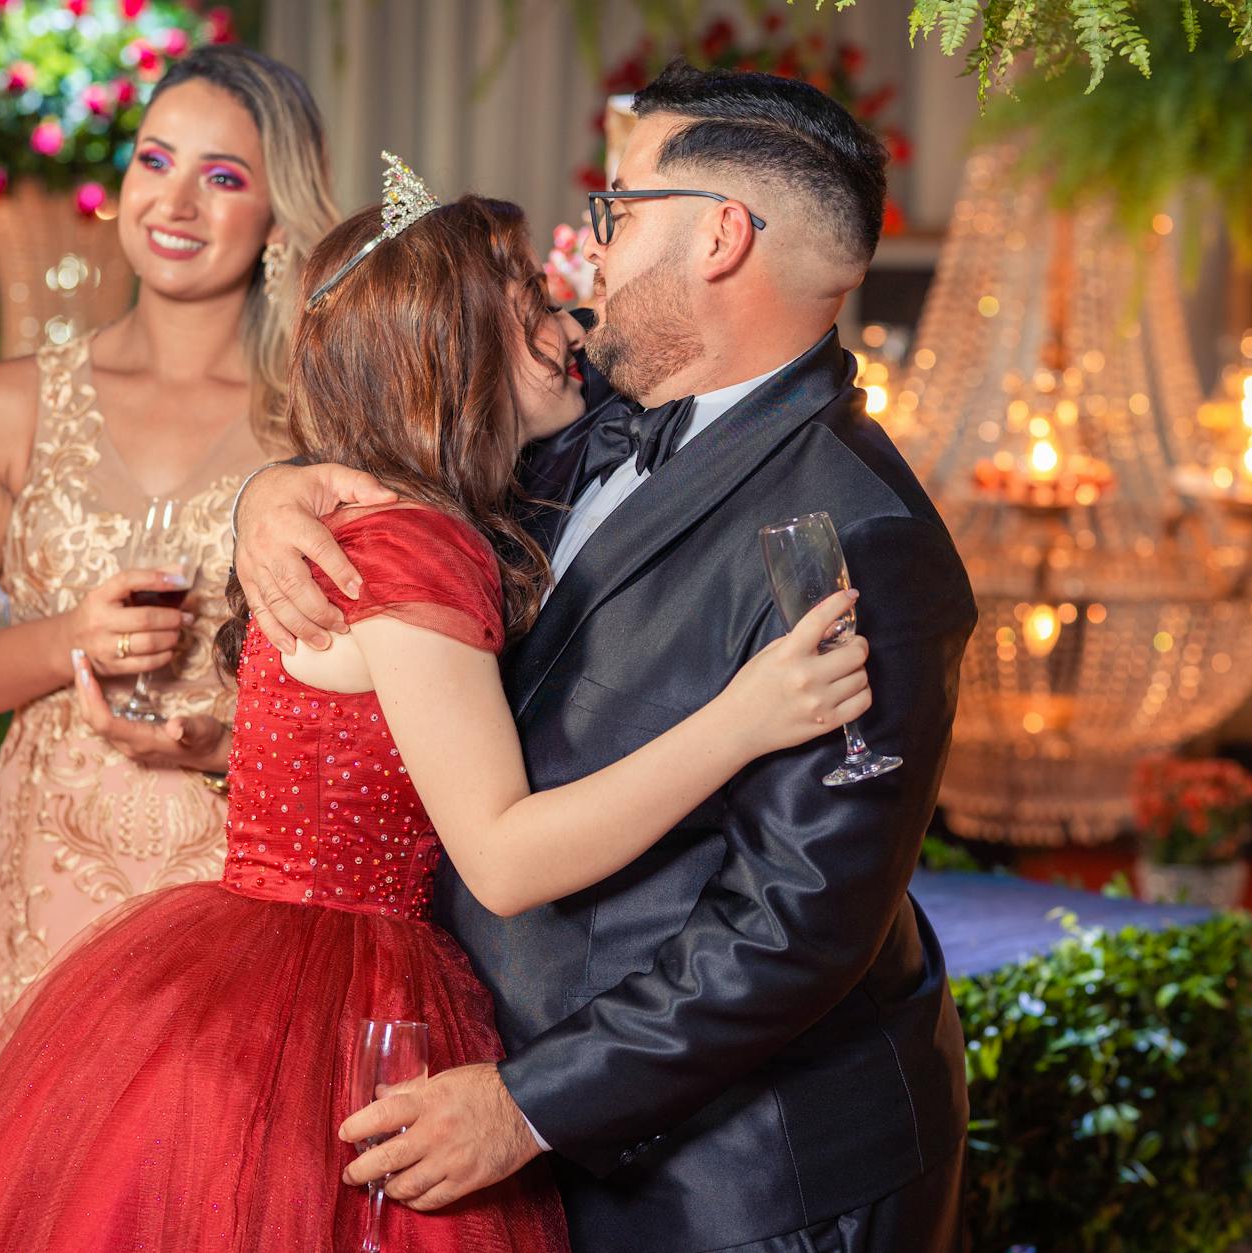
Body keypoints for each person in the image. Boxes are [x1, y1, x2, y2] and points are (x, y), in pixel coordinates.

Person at [0, 171, 873, 1251]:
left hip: (233, 988)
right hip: (333, 1002)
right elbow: (501, 856)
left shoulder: (363, 511)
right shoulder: (417, 548)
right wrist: (742, 717)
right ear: (458, 351)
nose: (566, 319)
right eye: (531, 300)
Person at [235, 63, 974, 1252]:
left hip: (742, 1184)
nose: (585, 255)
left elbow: (796, 922)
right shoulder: (567, 424)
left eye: (613, 213)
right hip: (531, 1120)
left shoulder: (857, 535)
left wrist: (532, 1104)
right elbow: (406, 448)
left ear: (719, 236)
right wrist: (268, 496)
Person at [0, 45, 339, 1068]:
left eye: (222, 178)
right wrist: (69, 638)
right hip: (39, 895)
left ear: (278, 211)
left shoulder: (320, 422)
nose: (173, 202)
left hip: (236, 890)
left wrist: (234, 735)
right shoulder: (13, 404)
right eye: (153, 161)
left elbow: (384, 690)